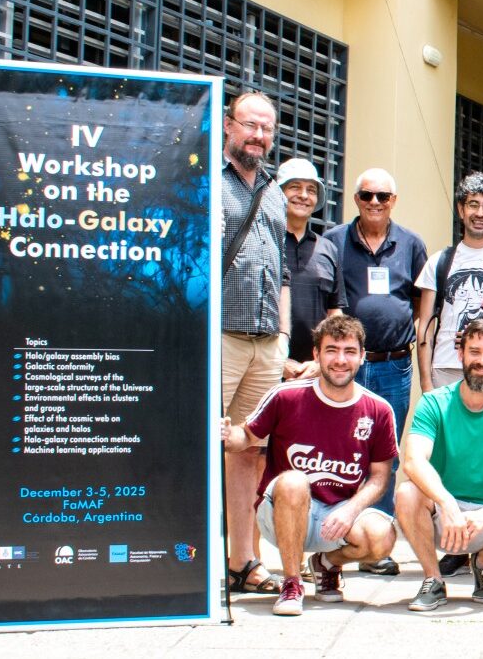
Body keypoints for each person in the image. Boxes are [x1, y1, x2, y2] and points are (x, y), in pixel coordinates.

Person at [222, 315, 397, 616]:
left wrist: (351, 510)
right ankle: (292, 583)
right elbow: (246, 436)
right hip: (281, 511)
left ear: (362, 357)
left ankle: (326, 565)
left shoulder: (378, 409)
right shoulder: (286, 396)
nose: (340, 360)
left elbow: (380, 477)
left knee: (383, 535)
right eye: (331, 350)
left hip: (335, 515)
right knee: (293, 482)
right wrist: (227, 435)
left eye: (349, 351)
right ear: (316, 355)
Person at [396, 319, 483, 610]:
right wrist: (446, 502)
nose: (482, 361)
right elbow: (412, 460)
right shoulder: (434, 403)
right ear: (460, 353)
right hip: (441, 515)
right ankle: (433, 579)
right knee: (407, 493)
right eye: (475, 352)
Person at [322, 167, 427, 547]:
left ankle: (378, 539)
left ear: (394, 201)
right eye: (367, 195)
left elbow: (420, 302)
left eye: (383, 196)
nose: (375, 203)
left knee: (385, 451)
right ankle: (337, 535)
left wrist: (396, 327)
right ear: (355, 200)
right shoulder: (333, 241)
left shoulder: (411, 244)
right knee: (341, 447)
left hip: (394, 364)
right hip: (346, 366)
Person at [220, 91, 290, 596]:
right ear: (229, 126)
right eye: (249, 126)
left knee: (252, 450)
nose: (258, 137)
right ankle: (185, 553)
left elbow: (282, 271)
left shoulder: (273, 190)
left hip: (267, 342)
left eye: (266, 129)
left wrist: (285, 335)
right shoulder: (206, 183)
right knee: (199, 442)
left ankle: (243, 561)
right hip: (219, 335)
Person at [415, 172, 483, 394]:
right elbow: (425, 326)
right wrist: (426, 382)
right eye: (473, 204)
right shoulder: (439, 261)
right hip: (445, 368)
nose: (479, 213)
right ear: (461, 209)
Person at [277, 158, 345, 382]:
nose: (304, 195)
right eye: (295, 187)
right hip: (266, 368)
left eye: (311, 190)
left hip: (314, 371)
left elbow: (334, 313)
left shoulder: (328, 249)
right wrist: (278, 361)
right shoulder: (265, 241)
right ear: (278, 193)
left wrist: (321, 362)